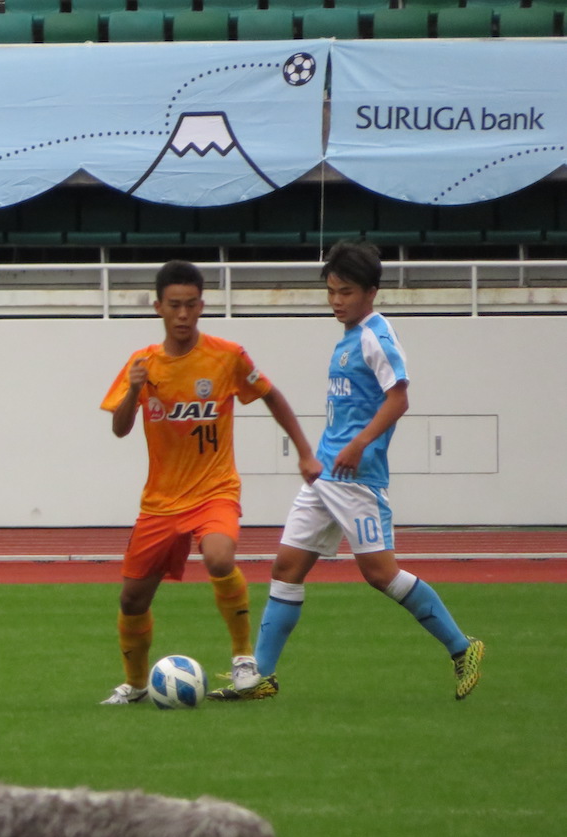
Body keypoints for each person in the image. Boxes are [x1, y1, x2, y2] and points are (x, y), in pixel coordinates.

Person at [208, 241, 484, 701]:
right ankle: (261, 678)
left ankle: (462, 647)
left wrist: (358, 443)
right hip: (326, 475)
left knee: (381, 575)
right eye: (332, 291)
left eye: (347, 292)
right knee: (285, 567)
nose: (337, 300)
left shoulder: (377, 335)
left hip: (357, 478)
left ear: (371, 292)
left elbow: (399, 398)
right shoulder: (349, 336)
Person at [98, 260, 319, 705]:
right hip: (160, 503)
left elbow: (272, 396)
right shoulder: (141, 363)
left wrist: (305, 451)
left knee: (219, 557)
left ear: (203, 305)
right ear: (157, 306)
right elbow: (120, 428)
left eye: (191, 305)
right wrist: (133, 392)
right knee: (131, 601)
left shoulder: (227, 356)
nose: (183, 314)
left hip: (215, 490)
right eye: (174, 305)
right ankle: (137, 686)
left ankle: (243, 658)